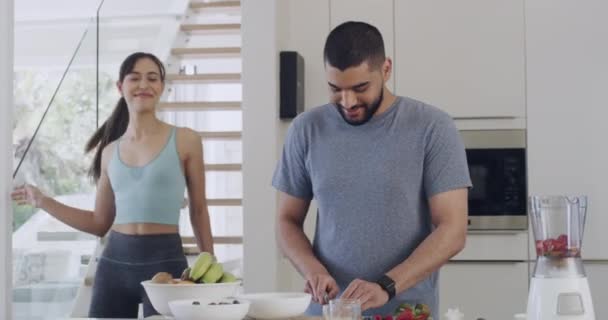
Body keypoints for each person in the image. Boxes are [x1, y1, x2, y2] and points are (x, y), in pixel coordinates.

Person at [273, 21, 472, 317]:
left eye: (360, 88)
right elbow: (286, 221)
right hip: (330, 312)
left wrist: (386, 286)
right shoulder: (306, 129)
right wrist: (312, 270)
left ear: (386, 70)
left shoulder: (433, 127)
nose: (348, 102)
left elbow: (453, 230)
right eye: (335, 89)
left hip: (406, 310)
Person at [11, 52, 214, 318]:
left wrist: (210, 264)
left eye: (152, 78)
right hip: (114, 265)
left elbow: (198, 209)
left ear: (161, 87)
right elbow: (99, 223)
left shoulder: (186, 140)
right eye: (135, 78)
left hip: (166, 264)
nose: (144, 85)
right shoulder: (109, 153)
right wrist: (42, 200)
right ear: (120, 87)